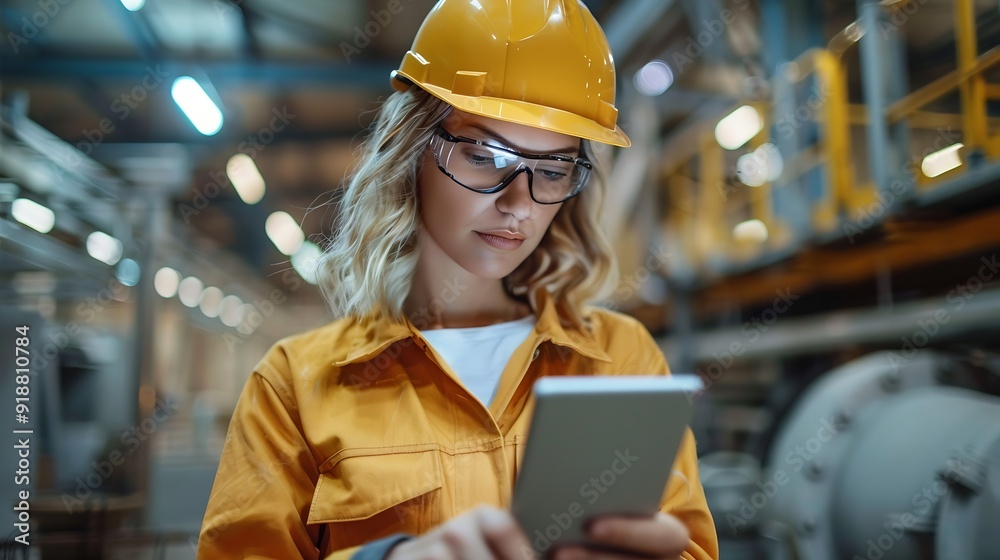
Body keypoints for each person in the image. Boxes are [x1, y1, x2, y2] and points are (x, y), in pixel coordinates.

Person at [197, 1, 719, 559]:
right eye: (485, 155)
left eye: (552, 170)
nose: (519, 204)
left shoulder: (620, 360)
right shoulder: (297, 387)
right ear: (411, 150)